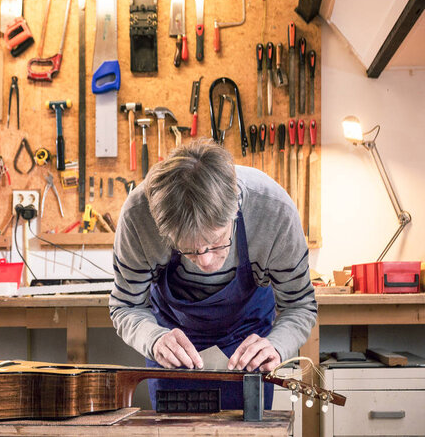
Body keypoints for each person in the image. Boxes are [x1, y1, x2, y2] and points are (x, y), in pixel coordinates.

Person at [110, 139, 316, 410]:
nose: (205, 261)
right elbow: (126, 306)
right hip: (174, 344)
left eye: (218, 242)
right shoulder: (139, 216)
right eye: (189, 250)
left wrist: (276, 346)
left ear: (236, 210)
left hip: (248, 342)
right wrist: (154, 339)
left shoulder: (273, 211)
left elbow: (300, 306)